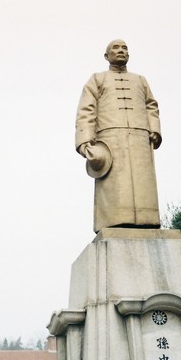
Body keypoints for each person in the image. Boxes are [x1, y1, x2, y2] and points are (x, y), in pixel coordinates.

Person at [75, 39, 162, 232]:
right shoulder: (97, 79)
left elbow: (151, 106)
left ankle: (147, 220)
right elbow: (86, 111)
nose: (121, 50)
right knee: (115, 186)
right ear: (106, 56)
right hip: (110, 140)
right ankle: (114, 220)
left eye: (124, 48)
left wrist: (154, 128)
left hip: (140, 139)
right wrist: (84, 141)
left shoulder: (140, 80)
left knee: (143, 184)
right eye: (116, 48)